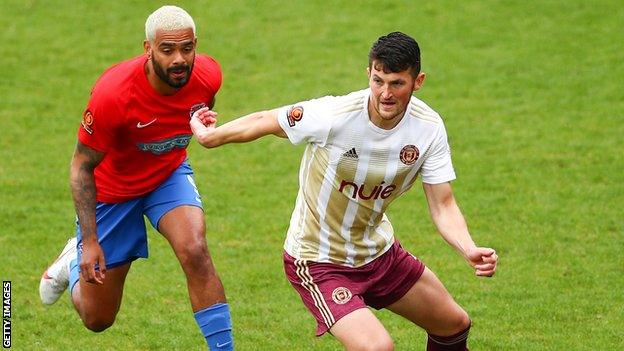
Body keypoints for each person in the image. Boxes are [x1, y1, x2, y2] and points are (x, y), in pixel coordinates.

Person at [189, 31, 498, 350]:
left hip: (379, 254)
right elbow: (267, 119)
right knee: (377, 347)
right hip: (318, 260)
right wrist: (212, 137)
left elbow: (443, 204)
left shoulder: (428, 129)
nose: (385, 94)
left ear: (417, 81)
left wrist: (468, 248)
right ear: (368, 74)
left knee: (453, 324)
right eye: (378, 81)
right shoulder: (334, 116)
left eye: (396, 83)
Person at [39, 6, 233, 350]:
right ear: (148, 49)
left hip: (166, 174)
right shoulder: (113, 94)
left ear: (196, 46)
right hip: (113, 193)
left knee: (196, 249)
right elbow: (81, 167)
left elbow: (197, 106)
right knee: (98, 319)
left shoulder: (208, 75)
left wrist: (200, 120)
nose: (179, 59)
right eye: (167, 50)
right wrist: (90, 240)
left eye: (187, 49)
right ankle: (70, 261)